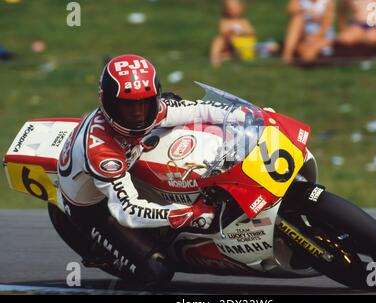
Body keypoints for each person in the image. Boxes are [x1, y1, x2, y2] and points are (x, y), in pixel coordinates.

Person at [55, 54, 246, 284]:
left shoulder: (153, 111)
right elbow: (127, 210)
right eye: (127, 106)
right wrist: (186, 214)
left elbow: (199, 110)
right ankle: (108, 256)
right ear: (107, 103)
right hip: (94, 206)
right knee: (157, 272)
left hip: (127, 164)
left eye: (144, 103)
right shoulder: (101, 151)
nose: (137, 114)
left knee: (177, 104)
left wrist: (248, 116)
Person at [210, 0, 256, 67]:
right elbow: (223, 32)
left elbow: (252, 33)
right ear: (226, 10)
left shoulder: (243, 21)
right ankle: (214, 57)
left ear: (241, 8)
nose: (233, 11)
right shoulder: (225, 21)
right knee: (218, 40)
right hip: (228, 44)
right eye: (230, 9)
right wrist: (230, 32)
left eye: (236, 8)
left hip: (240, 45)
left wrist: (244, 32)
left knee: (247, 43)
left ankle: (231, 56)